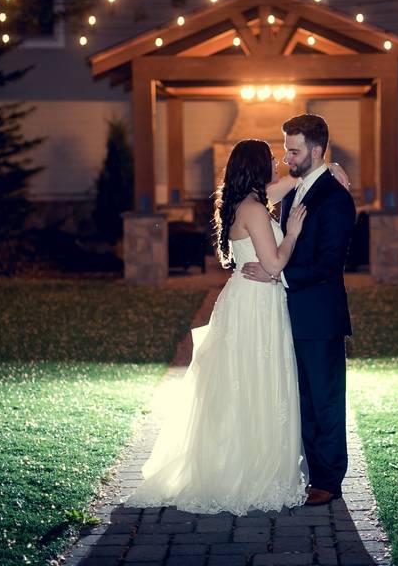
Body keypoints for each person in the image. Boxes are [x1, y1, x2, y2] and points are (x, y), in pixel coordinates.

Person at [126, 138, 310, 514]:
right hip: (256, 306)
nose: (279, 163)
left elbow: (284, 186)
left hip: (247, 299)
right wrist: (291, 233)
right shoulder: (256, 210)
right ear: (258, 166)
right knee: (254, 380)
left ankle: (234, 461)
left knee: (240, 382)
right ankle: (249, 472)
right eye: (272, 159)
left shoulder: (240, 203)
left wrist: (326, 170)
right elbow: (274, 265)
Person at [241, 114, 357, 506]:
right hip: (287, 314)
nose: (287, 157)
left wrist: (278, 277)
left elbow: (328, 264)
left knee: (324, 399)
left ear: (317, 150)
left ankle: (328, 479)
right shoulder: (295, 191)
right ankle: (308, 470)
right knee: (300, 398)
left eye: (294, 150)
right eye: (286, 149)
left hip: (320, 316)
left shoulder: (336, 198)